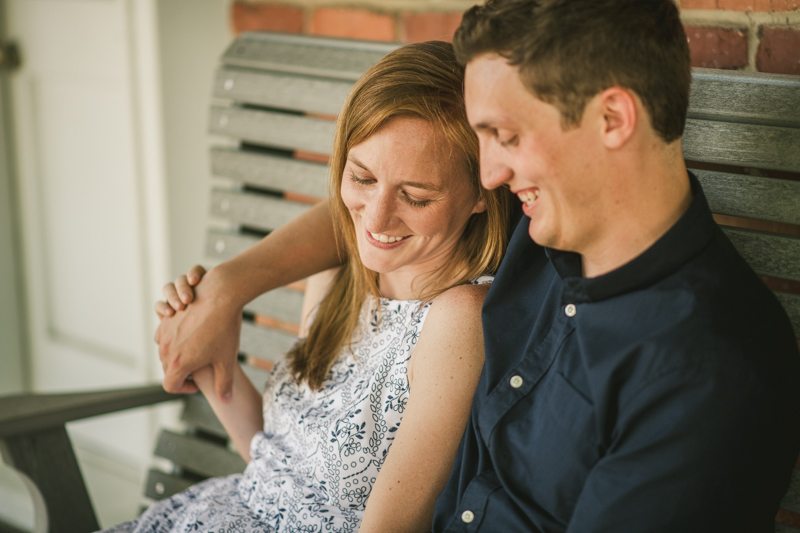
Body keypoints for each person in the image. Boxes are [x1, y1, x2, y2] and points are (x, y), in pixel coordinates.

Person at [157, 0, 800, 531]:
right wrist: (228, 288)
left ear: (612, 120)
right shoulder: (551, 211)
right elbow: (369, 219)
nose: (490, 175)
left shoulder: (705, 372)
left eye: (507, 137)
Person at [106, 41, 512, 533]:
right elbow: (278, 469)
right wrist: (213, 365)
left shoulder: (459, 319)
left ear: (482, 194)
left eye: (415, 196)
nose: (376, 217)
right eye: (362, 177)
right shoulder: (339, 273)